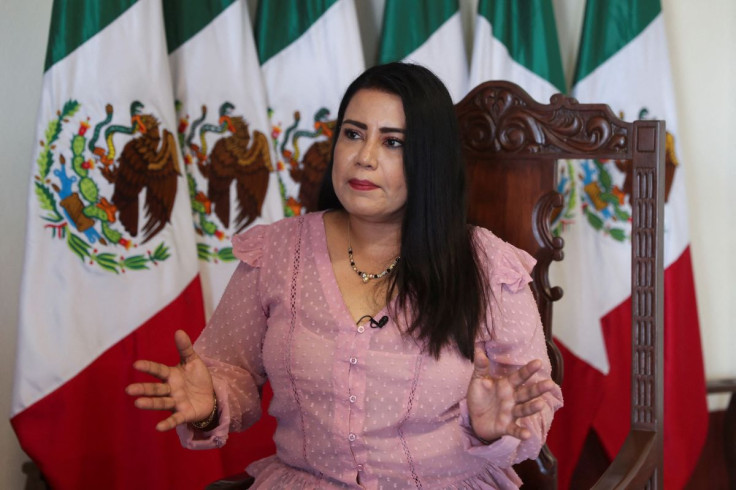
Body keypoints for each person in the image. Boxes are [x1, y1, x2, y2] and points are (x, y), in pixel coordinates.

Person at [126, 62, 563, 489]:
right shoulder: (277, 252)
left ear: (430, 160)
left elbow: (530, 398)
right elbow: (229, 370)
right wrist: (210, 404)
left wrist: (492, 428)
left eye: (393, 143)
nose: (365, 158)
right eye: (353, 134)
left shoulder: (487, 264)